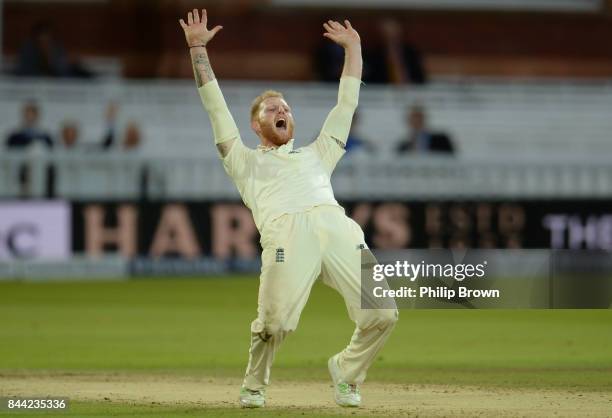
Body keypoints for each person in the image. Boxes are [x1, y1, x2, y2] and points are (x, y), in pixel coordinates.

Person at [179, 8, 397, 409]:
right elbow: (215, 107)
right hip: (286, 236)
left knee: (384, 312)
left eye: (287, 109)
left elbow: (346, 103)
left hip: (337, 229)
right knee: (275, 324)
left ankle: (347, 372)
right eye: (272, 110)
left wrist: (355, 48)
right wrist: (197, 49)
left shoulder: (320, 153)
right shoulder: (243, 161)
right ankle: (255, 386)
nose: (282, 111)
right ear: (256, 126)